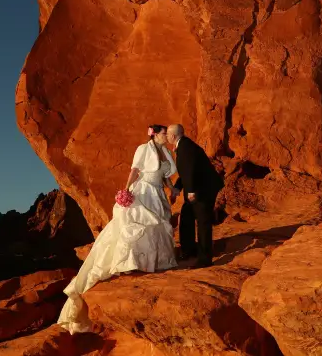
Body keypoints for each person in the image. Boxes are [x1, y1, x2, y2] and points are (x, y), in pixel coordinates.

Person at [57, 125, 178, 334]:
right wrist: (127, 190)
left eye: (167, 133)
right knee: (137, 225)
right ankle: (132, 262)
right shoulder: (143, 148)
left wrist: (171, 188)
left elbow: (163, 175)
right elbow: (135, 170)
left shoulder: (165, 151)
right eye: (163, 133)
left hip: (157, 193)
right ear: (155, 134)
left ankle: (156, 262)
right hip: (144, 191)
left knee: (157, 226)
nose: (166, 136)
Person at [167, 124, 224, 268]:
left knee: (203, 221)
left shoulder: (186, 147)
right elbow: (185, 172)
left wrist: (191, 191)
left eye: (168, 134)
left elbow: (191, 169)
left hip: (203, 189)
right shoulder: (184, 145)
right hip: (197, 187)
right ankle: (189, 250)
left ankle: (205, 258)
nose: (167, 137)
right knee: (186, 215)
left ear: (173, 136)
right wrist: (177, 189)